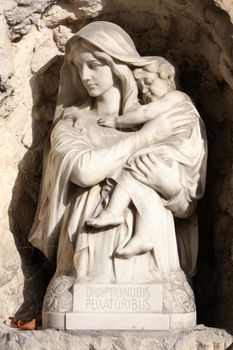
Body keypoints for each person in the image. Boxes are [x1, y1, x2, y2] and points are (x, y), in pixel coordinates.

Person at [28, 22, 206, 314]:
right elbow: (84, 171)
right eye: (78, 67)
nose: (85, 76)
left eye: (95, 65)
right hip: (86, 259)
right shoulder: (73, 123)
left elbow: (186, 204)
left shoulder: (164, 114)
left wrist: (168, 184)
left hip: (155, 264)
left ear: (119, 65)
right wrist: (145, 137)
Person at [86, 58, 200, 259]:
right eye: (140, 87)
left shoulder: (175, 97)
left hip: (174, 156)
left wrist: (117, 120)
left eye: (148, 83)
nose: (145, 90)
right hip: (170, 156)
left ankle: (115, 212)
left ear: (168, 78)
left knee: (132, 166)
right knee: (142, 180)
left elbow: (146, 112)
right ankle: (143, 235)